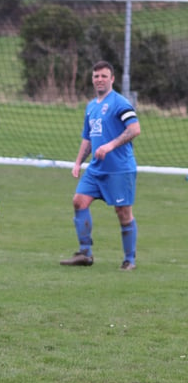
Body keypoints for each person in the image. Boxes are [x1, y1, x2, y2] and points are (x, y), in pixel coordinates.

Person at [60, 60, 141, 270]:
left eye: (104, 76)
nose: (99, 79)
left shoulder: (120, 103)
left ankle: (129, 260)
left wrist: (110, 145)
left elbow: (134, 129)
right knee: (79, 201)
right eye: (96, 76)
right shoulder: (91, 106)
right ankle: (85, 253)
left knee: (123, 213)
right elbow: (87, 138)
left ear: (112, 79)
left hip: (120, 169)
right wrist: (78, 162)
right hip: (96, 169)